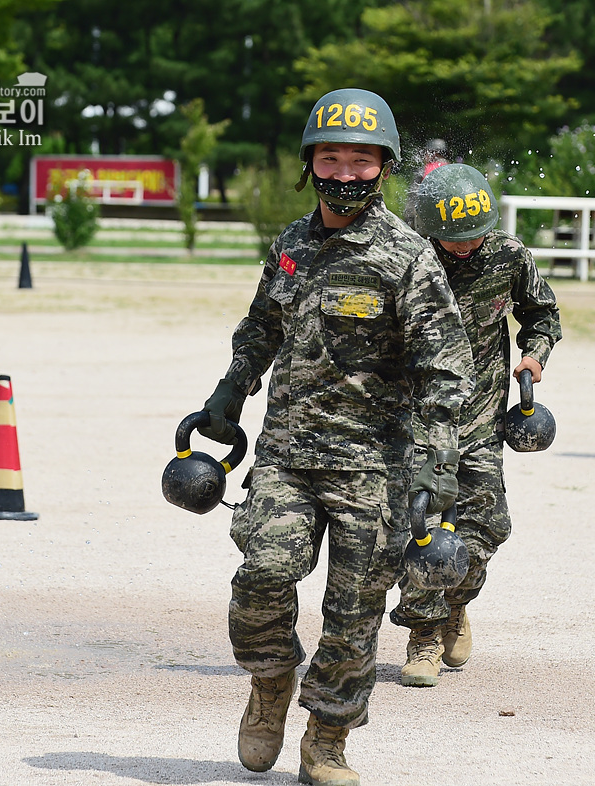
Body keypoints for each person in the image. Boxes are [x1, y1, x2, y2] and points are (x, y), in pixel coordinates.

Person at [196, 88, 475, 786]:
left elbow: (445, 370)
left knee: (352, 616)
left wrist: (434, 470)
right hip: (287, 455)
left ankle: (326, 742)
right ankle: (269, 688)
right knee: (261, 578)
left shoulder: (408, 257)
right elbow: (262, 326)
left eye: (360, 160)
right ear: (309, 163)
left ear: (384, 167)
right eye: (331, 158)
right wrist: (229, 392)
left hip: (373, 468)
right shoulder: (290, 244)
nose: (344, 173)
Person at [391, 163, 561, 687]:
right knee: (421, 524)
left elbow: (543, 315)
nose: (465, 247)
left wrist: (535, 356)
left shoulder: (509, 255)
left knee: (486, 528)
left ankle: (455, 603)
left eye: (474, 236)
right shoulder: (408, 260)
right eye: (453, 239)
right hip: (419, 419)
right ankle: (422, 636)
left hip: (483, 416)